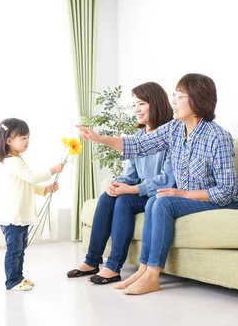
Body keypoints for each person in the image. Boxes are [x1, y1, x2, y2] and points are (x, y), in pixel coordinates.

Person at [77, 73, 238, 295]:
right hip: (190, 197)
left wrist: (182, 194)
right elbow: (138, 145)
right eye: (174, 95)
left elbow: (226, 192)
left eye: (179, 96)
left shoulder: (218, 137)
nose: (172, 101)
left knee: (163, 203)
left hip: (221, 202)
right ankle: (143, 269)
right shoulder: (175, 129)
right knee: (155, 200)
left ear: (197, 100)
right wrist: (99, 138)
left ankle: (153, 275)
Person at [67, 82, 176, 285]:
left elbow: (169, 179)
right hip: (142, 192)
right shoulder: (138, 136)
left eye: (141, 104)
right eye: (134, 104)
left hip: (161, 194)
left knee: (124, 201)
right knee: (109, 196)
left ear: (157, 103)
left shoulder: (170, 135)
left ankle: (113, 267)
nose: (136, 110)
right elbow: (130, 173)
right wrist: (116, 184)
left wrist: (132, 189)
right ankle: (92, 260)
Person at [0, 118, 64, 291]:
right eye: (23, 138)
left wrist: (44, 190)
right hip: (13, 216)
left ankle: (18, 277)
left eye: (28, 137)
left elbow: (27, 184)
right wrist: (52, 171)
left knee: (20, 249)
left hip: (20, 215)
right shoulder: (11, 161)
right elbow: (31, 177)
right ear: (9, 141)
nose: (27, 141)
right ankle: (12, 281)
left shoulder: (18, 160)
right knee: (14, 250)